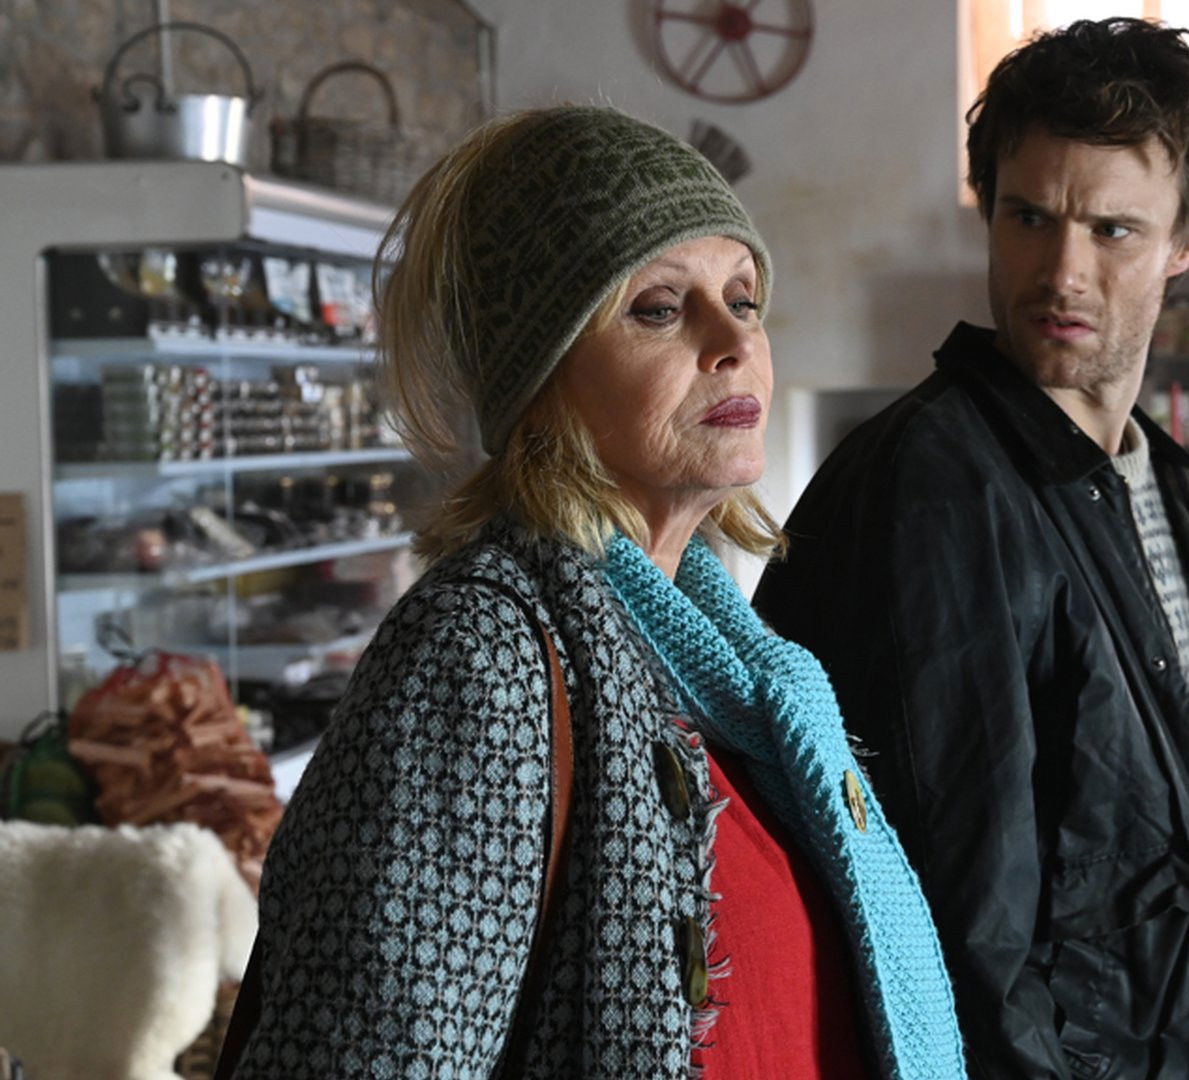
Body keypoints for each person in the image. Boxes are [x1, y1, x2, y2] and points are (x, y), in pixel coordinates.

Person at [222, 106, 964, 1079]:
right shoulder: (480, 653)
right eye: (658, 308)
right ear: (540, 375)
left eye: (743, 299)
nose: (732, 342)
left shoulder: (744, 675)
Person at [755, 18, 1189, 1079]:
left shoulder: (1186, 496)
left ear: (1186, 243)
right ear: (988, 213)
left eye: (1113, 230)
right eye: (1029, 218)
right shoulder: (934, 489)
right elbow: (961, 928)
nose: (1063, 272)